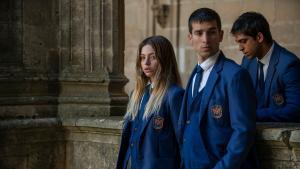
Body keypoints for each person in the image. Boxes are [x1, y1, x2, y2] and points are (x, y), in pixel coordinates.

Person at [179, 8, 257, 169]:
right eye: (199, 33)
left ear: (220, 35)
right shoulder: (194, 75)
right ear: (190, 38)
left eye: (211, 32)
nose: (205, 39)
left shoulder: (235, 75)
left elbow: (243, 132)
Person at [116, 35, 184, 169]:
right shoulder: (136, 95)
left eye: (153, 57)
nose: (146, 63)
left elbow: (182, 142)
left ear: (164, 59)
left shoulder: (174, 95)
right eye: (142, 57)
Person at [231, 12, 300, 122]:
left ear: (259, 37)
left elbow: (295, 110)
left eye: (243, 41)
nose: (240, 48)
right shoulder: (247, 61)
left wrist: (254, 114)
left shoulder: (289, 64)